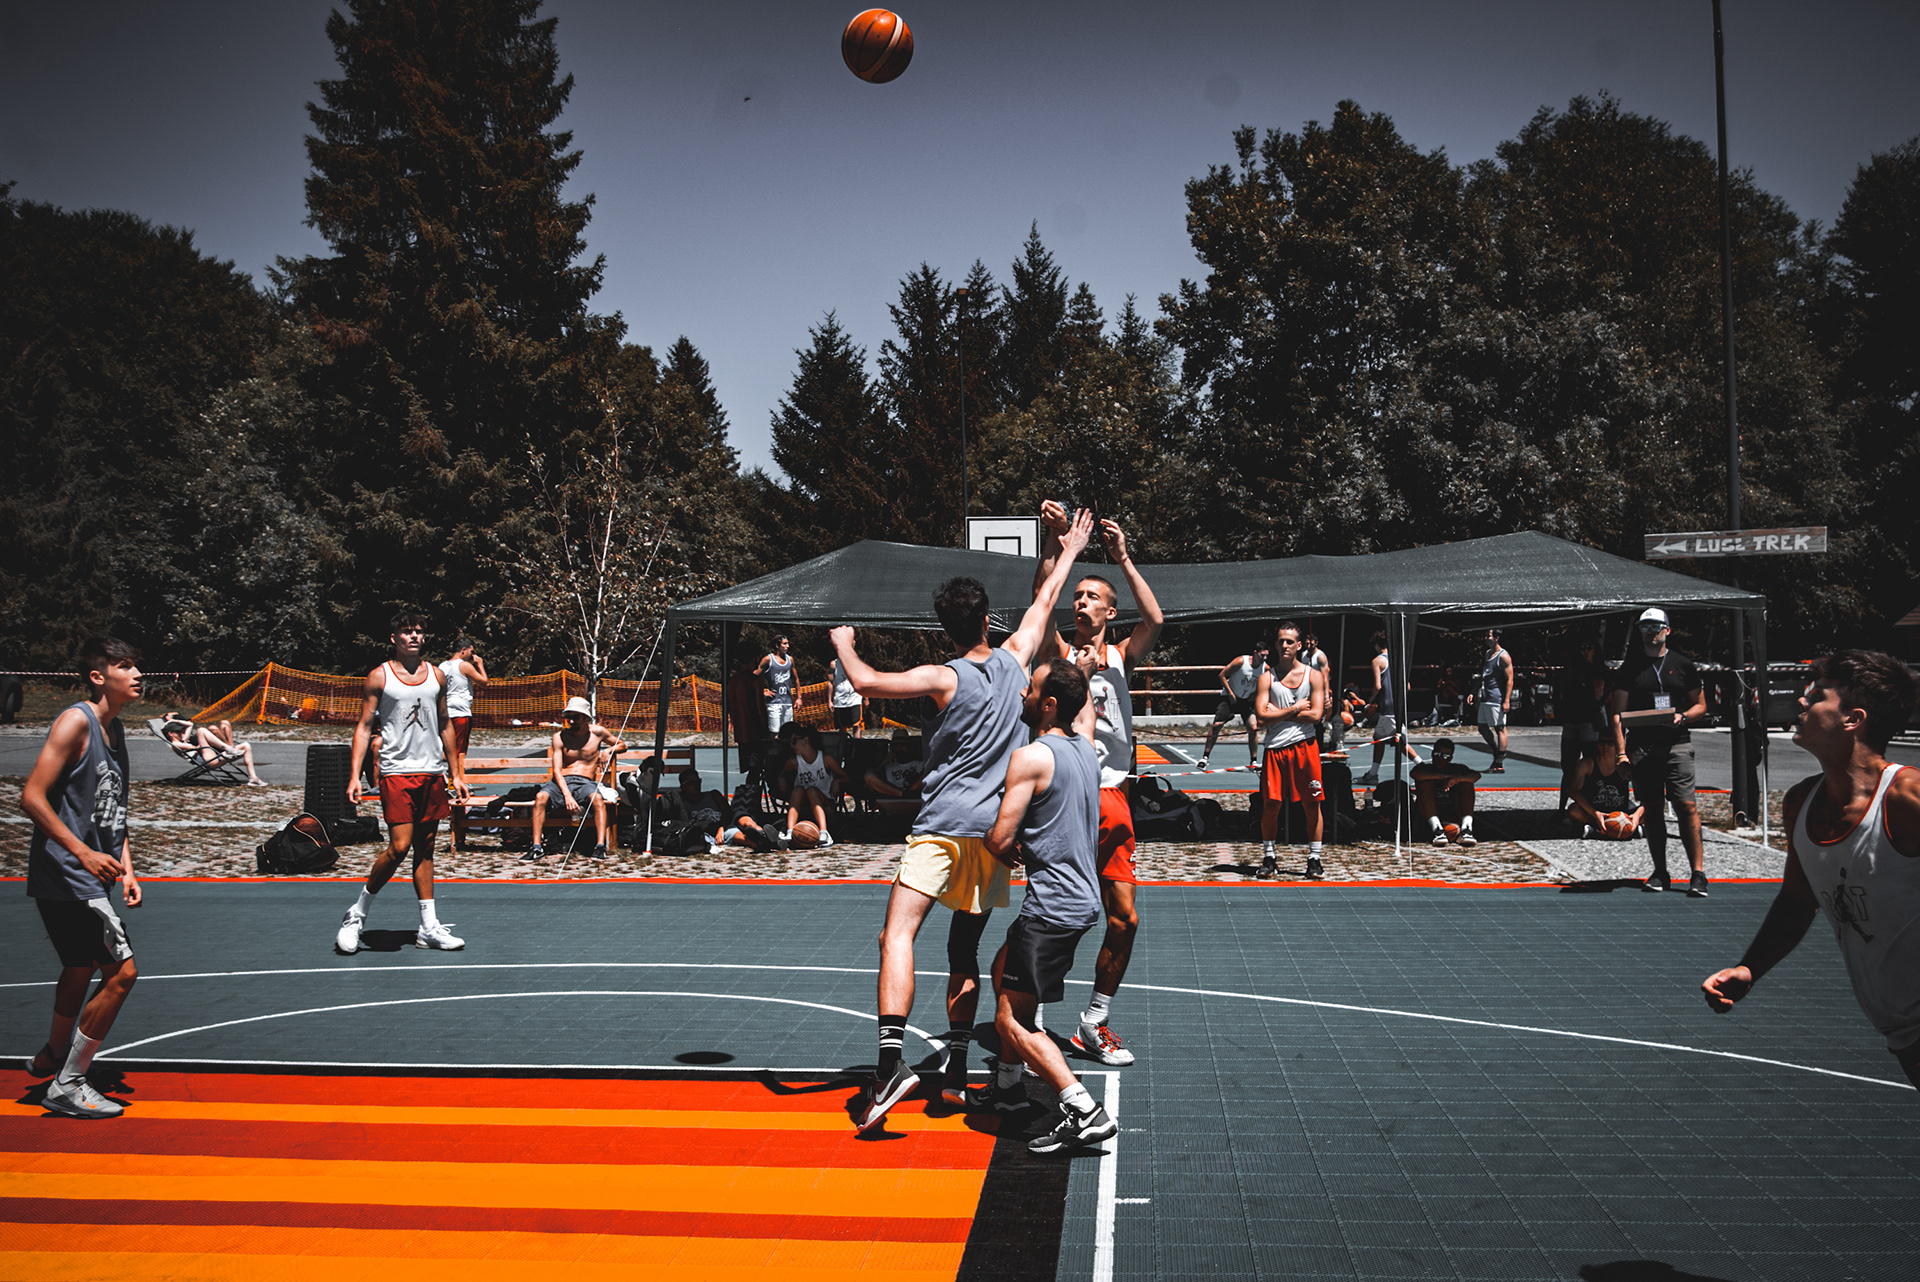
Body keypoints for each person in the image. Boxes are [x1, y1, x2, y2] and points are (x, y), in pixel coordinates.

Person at [831, 506, 1093, 1132]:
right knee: (963, 952)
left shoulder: (943, 676)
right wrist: (1068, 547)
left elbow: (866, 683)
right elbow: (1046, 598)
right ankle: (953, 1072)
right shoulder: (1015, 658)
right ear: (985, 619)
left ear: (943, 628)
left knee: (896, 937)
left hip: (942, 829)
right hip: (991, 837)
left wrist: (843, 644)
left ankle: (889, 1064)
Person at [1702, 651, 1920, 1086]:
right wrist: (1750, 968)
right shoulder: (1801, 803)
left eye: (1817, 695)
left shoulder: (1906, 798)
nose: (1802, 701)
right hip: (1899, 1028)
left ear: (1853, 719)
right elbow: (1799, 900)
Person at [1035, 501, 1165, 1069]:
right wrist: (1056, 544)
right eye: (1078, 595)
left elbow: (1156, 621)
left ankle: (1093, 1021)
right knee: (1055, 914)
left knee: (1124, 918)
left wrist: (1124, 558)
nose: (1081, 601)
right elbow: (1042, 600)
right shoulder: (1061, 655)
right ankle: (1031, 1015)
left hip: (1113, 796)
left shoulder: (1119, 655)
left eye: (1092, 596)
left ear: (1110, 610)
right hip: (1068, 797)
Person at [972, 658, 1120, 1153]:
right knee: (1002, 968)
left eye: (1030, 689)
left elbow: (1000, 838)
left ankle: (1083, 1108)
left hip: (1050, 908)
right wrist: (1082, 669)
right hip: (1080, 902)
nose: (1022, 695)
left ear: (1050, 704)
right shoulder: (1085, 749)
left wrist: (995, 840)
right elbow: (1085, 711)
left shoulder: (1031, 757)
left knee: (1011, 1020)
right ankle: (1008, 1086)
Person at [19, 637, 143, 1118]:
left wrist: (127, 868)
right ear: (98, 676)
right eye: (124, 666)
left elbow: (113, 810)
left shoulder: (116, 730)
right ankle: (68, 1083)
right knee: (122, 974)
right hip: (69, 873)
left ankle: (53, 1054)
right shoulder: (76, 721)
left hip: (88, 873)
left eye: (136, 666)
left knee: (78, 966)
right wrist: (84, 852)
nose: (137, 674)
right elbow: (32, 796)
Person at [338, 612, 470, 953]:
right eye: (407, 631)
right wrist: (354, 776)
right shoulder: (379, 676)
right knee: (399, 847)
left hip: (432, 772)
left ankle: (428, 928)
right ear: (394, 637)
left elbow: (445, 724)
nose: (414, 636)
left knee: (426, 848)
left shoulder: (437, 676)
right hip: (396, 771)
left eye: (419, 631)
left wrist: (456, 773)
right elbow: (364, 727)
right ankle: (356, 915)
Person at [1610, 607, 1709, 896]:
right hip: (1642, 747)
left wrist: (1684, 716)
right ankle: (1660, 871)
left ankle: (1698, 873)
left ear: (1668, 630)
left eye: (1656, 627)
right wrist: (1621, 753)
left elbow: (1701, 705)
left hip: (1677, 743)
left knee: (1686, 806)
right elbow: (1617, 714)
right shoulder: (1630, 667)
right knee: (1652, 809)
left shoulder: (1683, 664)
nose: (1650, 632)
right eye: (1645, 627)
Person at [1255, 622, 1328, 880]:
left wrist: (1278, 713)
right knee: (1271, 804)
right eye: (1280, 641)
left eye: (1289, 641)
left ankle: (1314, 859)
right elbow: (1261, 718)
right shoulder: (1267, 678)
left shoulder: (1313, 676)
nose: (1284, 645)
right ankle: (1269, 857)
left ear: (1299, 645)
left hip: (1304, 747)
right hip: (1275, 749)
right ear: (1275, 645)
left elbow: (1316, 715)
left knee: (1312, 804)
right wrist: (1296, 709)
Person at [524, 696, 625, 862]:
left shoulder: (598, 733)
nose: (571, 721)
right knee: (540, 797)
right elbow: (557, 770)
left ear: (585, 717)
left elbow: (623, 744)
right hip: (561, 781)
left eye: (575, 717)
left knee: (597, 799)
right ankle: (536, 847)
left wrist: (608, 751)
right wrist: (567, 796)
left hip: (585, 782)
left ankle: (600, 846)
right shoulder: (559, 737)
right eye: (568, 717)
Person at [1358, 631, 1420, 785]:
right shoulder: (1399, 660)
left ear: (1376, 645)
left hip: (1388, 708)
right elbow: (1408, 686)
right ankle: (1373, 773)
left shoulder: (1378, 661)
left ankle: (1423, 768)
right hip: (1398, 706)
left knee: (1402, 744)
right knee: (1378, 739)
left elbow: (1378, 686)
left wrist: (1371, 700)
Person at [1556, 638, 1609, 814]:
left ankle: (1591, 806)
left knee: (1590, 766)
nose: (1585, 651)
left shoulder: (1599, 670)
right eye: (1582, 648)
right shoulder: (1573, 669)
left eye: (1588, 647)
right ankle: (1563, 808)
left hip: (1589, 721)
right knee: (1569, 768)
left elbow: (1603, 694)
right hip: (1574, 720)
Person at [1200, 641, 1268, 770]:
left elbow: (1267, 684)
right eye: (1262, 655)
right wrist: (1230, 693)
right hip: (1230, 697)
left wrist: (1256, 694)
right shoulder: (1241, 661)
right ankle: (1205, 757)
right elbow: (1222, 675)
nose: (1264, 658)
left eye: (1266, 656)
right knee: (1217, 725)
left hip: (1246, 700)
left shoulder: (1265, 668)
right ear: (1255, 653)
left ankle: (1253, 761)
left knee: (1253, 727)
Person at [1565, 737, 1644, 838]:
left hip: (1622, 812)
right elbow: (1573, 791)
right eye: (1602, 742)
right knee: (1574, 811)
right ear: (1597, 744)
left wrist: (1637, 815)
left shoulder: (1626, 765)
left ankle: (1601, 830)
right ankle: (1619, 829)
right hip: (1594, 811)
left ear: (1617, 745)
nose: (1605, 746)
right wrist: (1595, 813)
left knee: (1652, 810)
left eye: (1610, 743)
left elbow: (1649, 794)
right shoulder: (1587, 764)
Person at [159, 712, 266, 785]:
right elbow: (196, 748)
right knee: (201, 730)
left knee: (246, 745)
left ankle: (253, 778)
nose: (182, 732)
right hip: (207, 761)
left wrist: (176, 722)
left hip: (210, 756)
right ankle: (228, 749)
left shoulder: (182, 739)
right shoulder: (176, 744)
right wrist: (205, 741)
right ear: (171, 733)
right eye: (179, 731)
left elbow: (189, 724)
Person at [784, 725, 846, 848]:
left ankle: (824, 832)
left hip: (825, 799)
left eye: (794, 741)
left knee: (811, 791)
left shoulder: (826, 759)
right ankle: (790, 831)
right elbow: (782, 775)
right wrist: (781, 780)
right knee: (798, 789)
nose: (791, 745)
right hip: (803, 799)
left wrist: (837, 781)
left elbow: (846, 776)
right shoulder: (794, 762)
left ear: (806, 741)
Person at [1411, 737, 1480, 846]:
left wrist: (1457, 779)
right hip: (1428, 815)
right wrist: (1443, 777)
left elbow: (1476, 776)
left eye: (1445, 756)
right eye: (1437, 754)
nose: (1440, 759)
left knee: (1467, 782)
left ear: (1450, 758)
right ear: (1432, 754)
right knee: (1425, 782)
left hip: (1452, 812)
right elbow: (1415, 774)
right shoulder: (1425, 768)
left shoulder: (1457, 768)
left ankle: (1466, 828)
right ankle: (1437, 829)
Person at [438, 638, 489, 769]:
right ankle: (456, 777)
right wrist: (480, 664)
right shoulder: (464, 665)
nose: (472, 655)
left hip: (445, 710)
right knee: (459, 751)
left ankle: (449, 773)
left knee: (447, 745)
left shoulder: (442, 666)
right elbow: (484, 682)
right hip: (460, 711)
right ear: (463, 650)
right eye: (471, 652)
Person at [1470, 628, 1514, 772]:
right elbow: (1484, 674)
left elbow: (1510, 680)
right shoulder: (1488, 654)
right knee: (1482, 727)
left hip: (1496, 698)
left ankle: (1499, 763)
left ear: (1496, 638)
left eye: (1488, 636)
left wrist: (1506, 700)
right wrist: (1473, 691)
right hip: (1485, 697)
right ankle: (1497, 752)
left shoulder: (1504, 656)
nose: (1486, 638)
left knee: (1499, 728)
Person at [756, 635, 800, 735]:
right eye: (784, 644)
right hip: (774, 702)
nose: (787, 646)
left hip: (787, 702)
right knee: (775, 732)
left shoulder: (790, 659)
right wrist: (763, 692)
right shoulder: (768, 659)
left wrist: (799, 697)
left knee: (788, 732)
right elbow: (754, 676)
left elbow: (796, 679)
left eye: (788, 643)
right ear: (777, 645)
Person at [830, 652, 867, 737]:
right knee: (842, 726)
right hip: (840, 700)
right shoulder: (834, 664)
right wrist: (829, 700)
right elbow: (830, 683)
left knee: (857, 725)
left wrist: (866, 698)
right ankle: (843, 743)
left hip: (855, 698)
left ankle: (857, 743)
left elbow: (863, 679)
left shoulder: (857, 663)